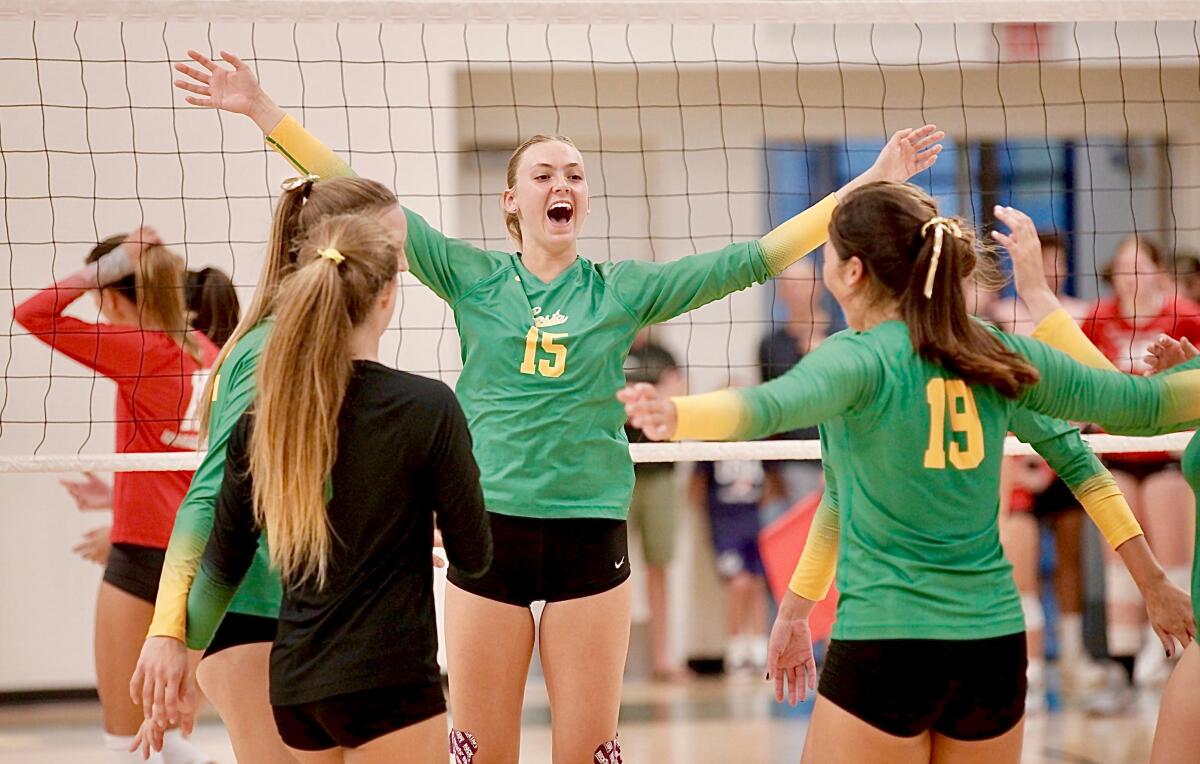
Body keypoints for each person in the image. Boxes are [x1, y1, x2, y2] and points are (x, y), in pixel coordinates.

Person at [172, 48, 945, 763]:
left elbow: (751, 261)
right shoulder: (472, 275)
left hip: (588, 536)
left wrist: (863, 188)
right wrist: (263, 111)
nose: (562, 185)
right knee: (480, 751)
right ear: (512, 199)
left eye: (573, 173)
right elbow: (367, 204)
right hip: (490, 536)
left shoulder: (623, 289)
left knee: (588, 752)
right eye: (543, 174)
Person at [620, 181, 1197, 763]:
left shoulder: (857, 358)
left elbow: (767, 406)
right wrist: (1152, 580)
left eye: (826, 258)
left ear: (851, 273)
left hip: (887, 643)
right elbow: (1139, 411)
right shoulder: (998, 354)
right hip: (991, 649)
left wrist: (677, 413)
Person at [135, 213, 492, 762]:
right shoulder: (427, 406)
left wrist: (183, 651)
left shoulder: (268, 416)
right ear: (387, 297)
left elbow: (222, 560)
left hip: (297, 687)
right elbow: (473, 557)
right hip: (389, 679)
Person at [995, 202, 1200, 764]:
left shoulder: (1184, 317)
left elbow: (1124, 403)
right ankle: (1128, 665)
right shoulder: (1116, 323)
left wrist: (1038, 293)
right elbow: (1126, 404)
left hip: (1155, 449)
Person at [14, 229, 219, 764]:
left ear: (109, 296)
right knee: (165, 733)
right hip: (199, 553)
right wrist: (117, 497)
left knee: (125, 739)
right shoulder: (206, 351)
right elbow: (191, 464)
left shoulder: (141, 349)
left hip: (145, 556)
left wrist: (106, 266)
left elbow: (33, 314)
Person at [1082, 235, 1200, 702]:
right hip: (1118, 451)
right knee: (1122, 562)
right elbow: (1083, 377)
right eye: (1124, 266)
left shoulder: (1185, 314)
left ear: (1158, 270)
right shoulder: (1098, 318)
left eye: (1141, 265)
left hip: (1169, 454)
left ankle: (1169, 658)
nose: (1132, 276)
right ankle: (1121, 662)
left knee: (1171, 552)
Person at [624, 328, 687, 681]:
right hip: (617, 470)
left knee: (659, 566)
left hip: (660, 470)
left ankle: (663, 658)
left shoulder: (665, 354)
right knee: (611, 569)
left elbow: (678, 401)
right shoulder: (609, 345)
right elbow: (607, 404)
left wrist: (641, 400)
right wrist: (653, 395)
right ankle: (610, 662)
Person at [759, 260, 828, 511]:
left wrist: (824, 359)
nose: (799, 291)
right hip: (793, 458)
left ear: (818, 287)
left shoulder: (841, 336)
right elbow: (768, 409)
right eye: (792, 285)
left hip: (838, 453)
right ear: (782, 292)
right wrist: (770, 471)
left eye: (804, 283)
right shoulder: (770, 345)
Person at [690, 458, 771, 673]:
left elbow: (770, 484)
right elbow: (695, 489)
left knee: (757, 584)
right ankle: (736, 653)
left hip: (754, 527)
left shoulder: (758, 438)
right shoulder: (711, 442)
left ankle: (759, 649)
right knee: (739, 584)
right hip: (725, 529)